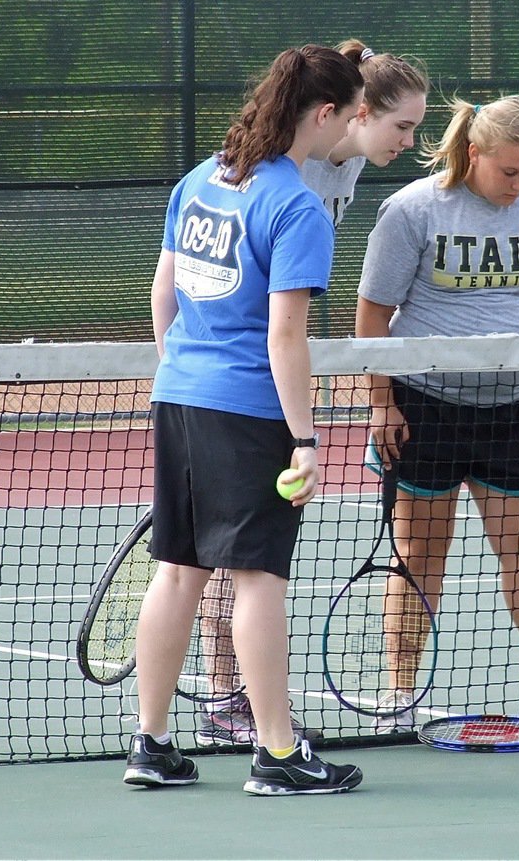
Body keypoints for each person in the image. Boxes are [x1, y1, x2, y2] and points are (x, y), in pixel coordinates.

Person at [123, 44, 367, 796]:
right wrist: (305, 438)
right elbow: (285, 336)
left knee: (179, 570)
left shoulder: (201, 178)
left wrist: (184, 370)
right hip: (251, 412)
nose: (353, 129)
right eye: (352, 114)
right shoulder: (296, 204)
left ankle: (152, 746)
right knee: (260, 576)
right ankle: (278, 753)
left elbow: (162, 294)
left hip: (181, 395)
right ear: (322, 114)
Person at [194, 39, 429, 748]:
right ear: (353, 113)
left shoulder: (349, 161)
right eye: (401, 126)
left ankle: (225, 706)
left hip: (260, 364)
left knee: (227, 558)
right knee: (232, 561)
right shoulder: (268, 172)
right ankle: (225, 697)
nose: (410, 142)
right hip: (236, 373)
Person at [356, 93, 519, 732]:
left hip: (512, 409)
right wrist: (382, 404)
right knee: (418, 559)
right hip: (423, 408)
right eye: (508, 171)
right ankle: (397, 700)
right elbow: (373, 317)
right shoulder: (410, 210)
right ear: (473, 153)